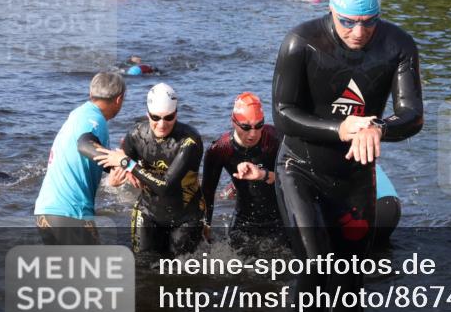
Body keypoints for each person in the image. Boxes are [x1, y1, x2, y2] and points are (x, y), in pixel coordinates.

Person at [272, 0, 424, 312]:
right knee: (315, 267)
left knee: (348, 283)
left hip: (354, 177)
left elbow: (412, 115)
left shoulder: (398, 46)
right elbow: (282, 114)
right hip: (300, 169)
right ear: (331, 10)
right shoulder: (301, 42)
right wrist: (340, 129)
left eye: (369, 22)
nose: (359, 32)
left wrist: (379, 127)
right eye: (348, 22)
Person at [95, 83, 206, 259]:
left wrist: (128, 164)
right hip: (148, 211)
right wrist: (116, 175)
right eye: (155, 117)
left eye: (169, 118)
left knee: (181, 271)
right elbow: (115, 164)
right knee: (142, 266)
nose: (162, 124)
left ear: (176, 114)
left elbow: (165, 186)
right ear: (147, 114)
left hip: (185, 217)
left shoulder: (190, 140)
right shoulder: (136, 134)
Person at [33, 72, 128, 244]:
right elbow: (84, 145)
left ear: (91, 94)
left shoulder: (79, 114)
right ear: (119, 99)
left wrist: (114, 170)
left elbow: (89, 155)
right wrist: (123, 163)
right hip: (71, 214)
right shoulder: (96, 120)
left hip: (45, 213)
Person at [201, 93, 285, 255]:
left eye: (259, 126)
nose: (253, 134)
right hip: (244, 220)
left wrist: (263, 175)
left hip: (279, 218)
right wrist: (207, 226)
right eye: (246, 127)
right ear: (233, 122)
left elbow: (293, 177)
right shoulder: (220, 149)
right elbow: (207, 192)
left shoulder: (274, 138)